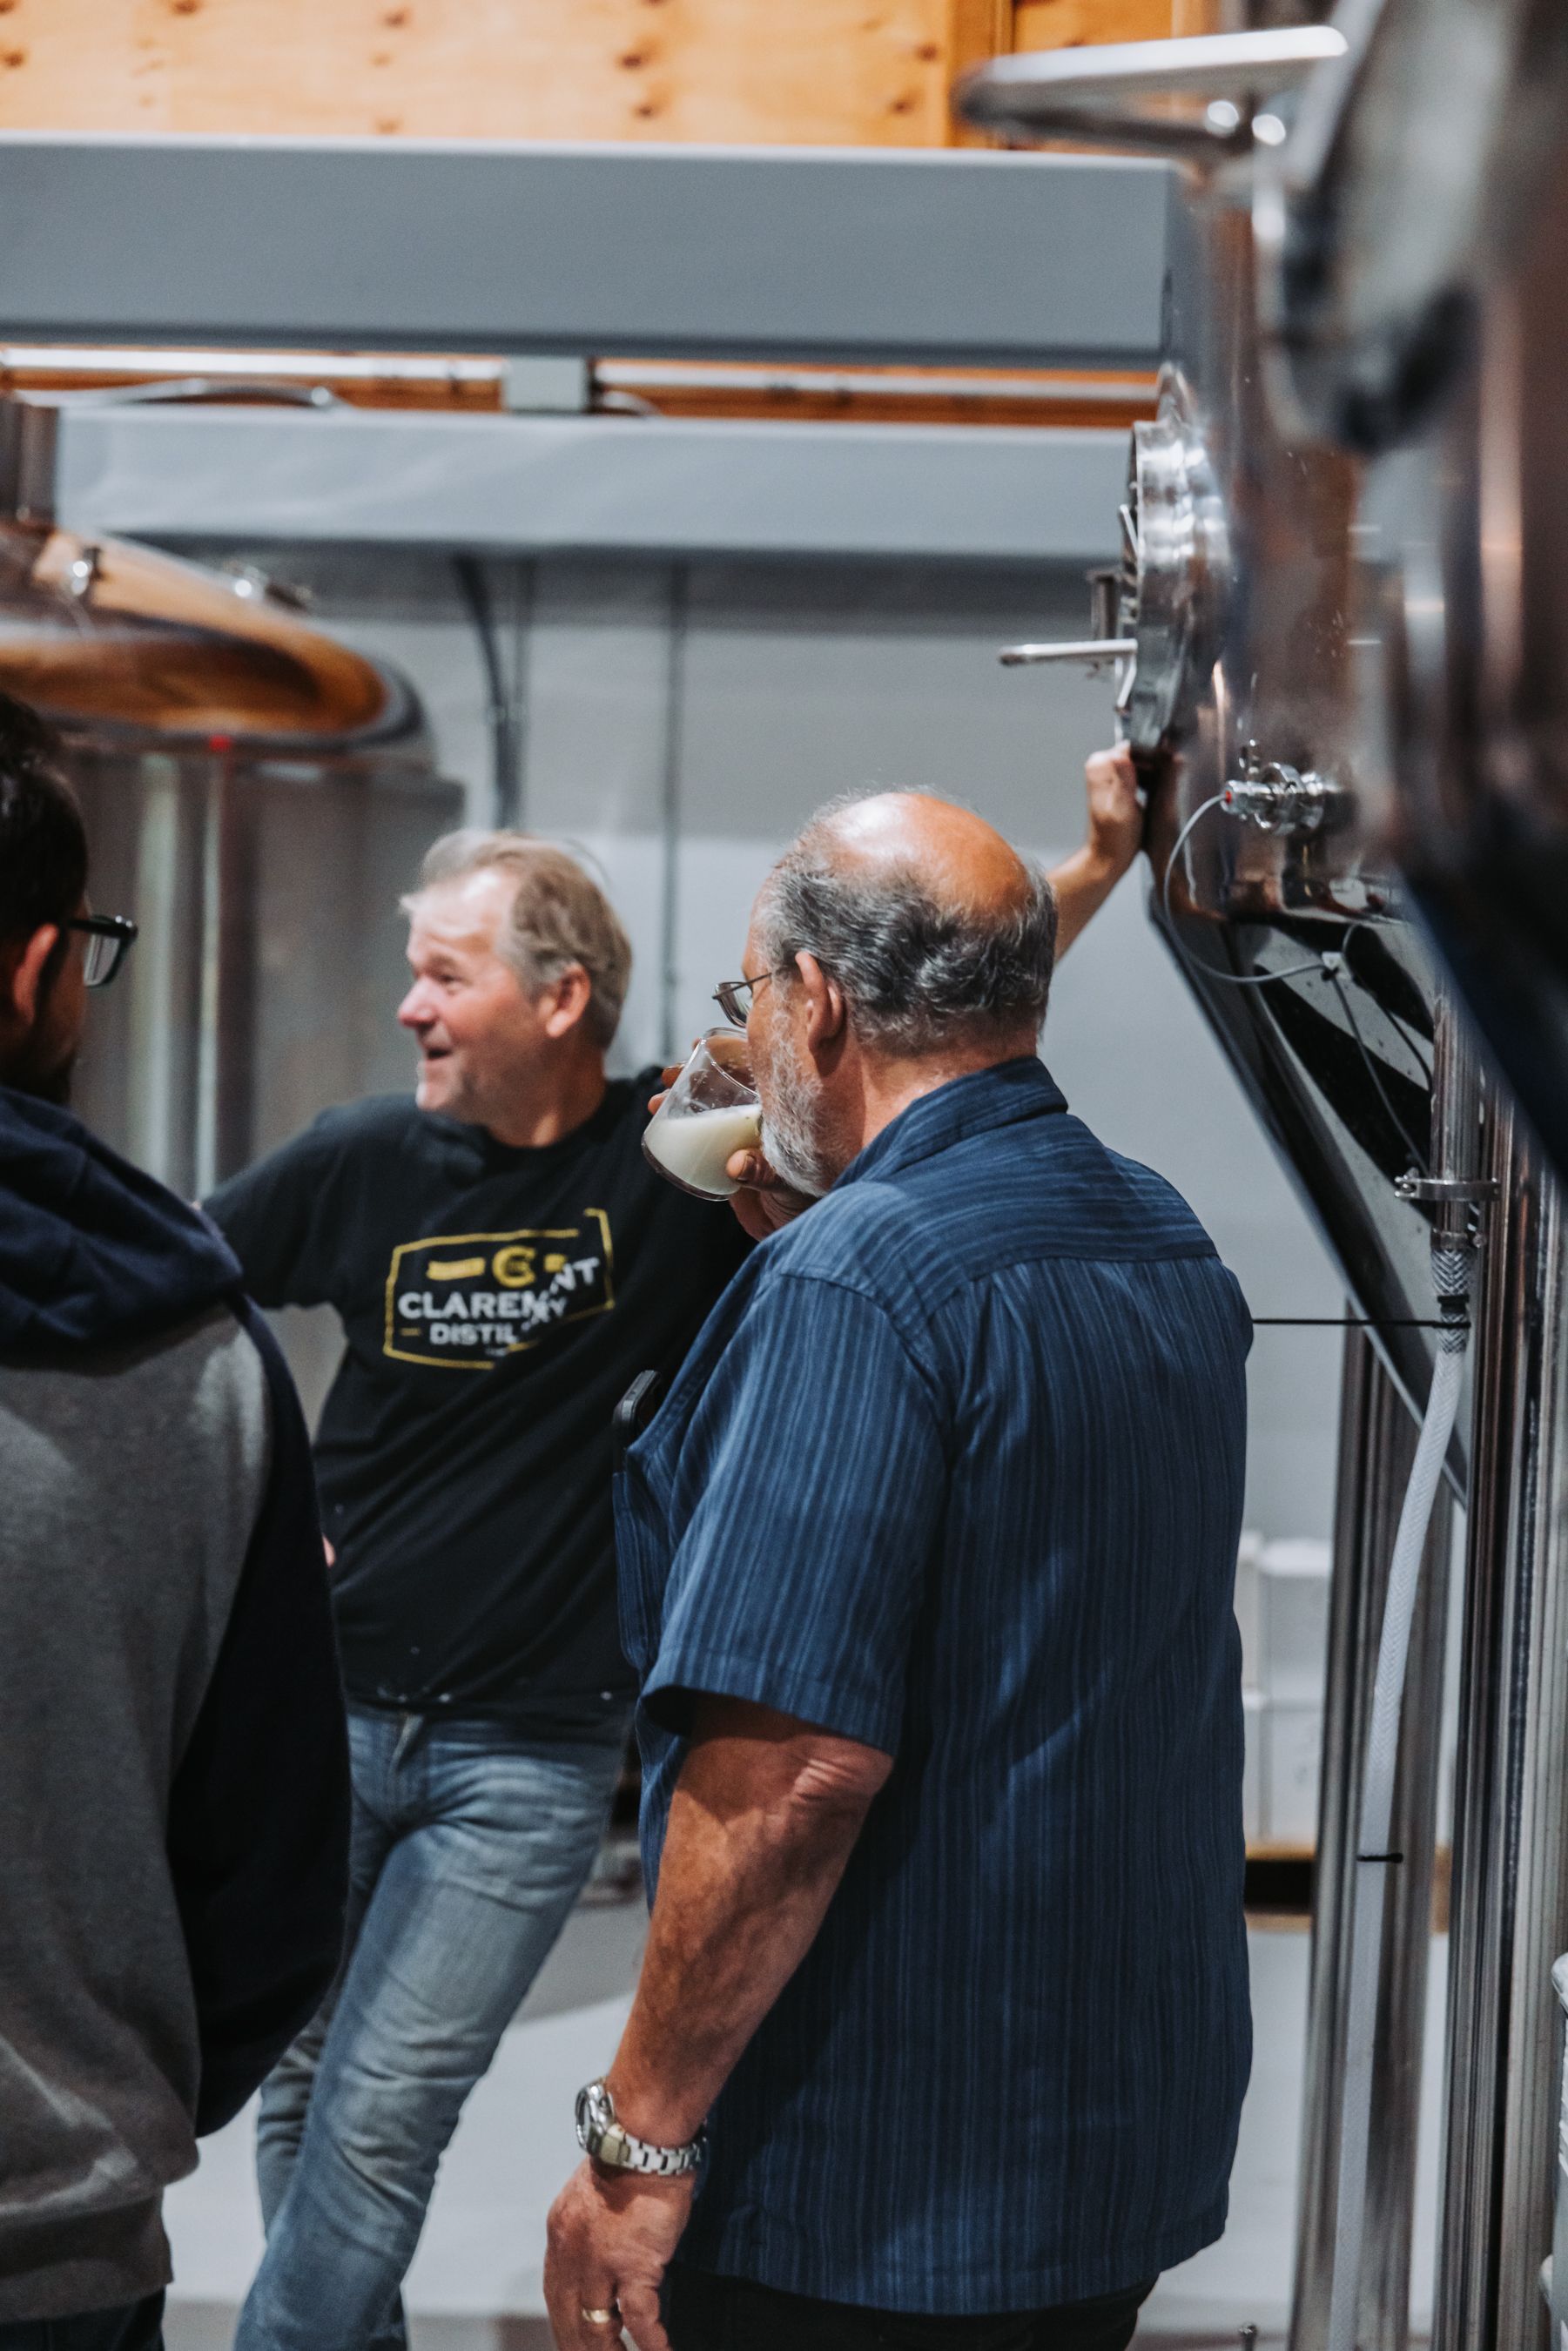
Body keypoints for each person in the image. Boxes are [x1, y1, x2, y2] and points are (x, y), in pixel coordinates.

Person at [212, 751, 1144, 2351]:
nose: (409, 1009)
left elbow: (919, 989)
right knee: (301, 2091)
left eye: (445, 975)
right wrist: (239, 1499)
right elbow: (186, 1285)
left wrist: (1098, 868)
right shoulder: (363, 1158)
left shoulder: (663, 1169)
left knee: (382, 2110)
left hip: (521, 1750)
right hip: (337, 1710)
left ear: (561, 999)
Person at [544, 785, 1252, 2351]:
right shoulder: (1158, 1237)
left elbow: (794, 1768)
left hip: (875, 2186)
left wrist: (639, 2140)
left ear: (814, 1001)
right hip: (1102, 2142)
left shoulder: (853, 1283)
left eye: (750, 998)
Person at [0, 692, 350, 2351]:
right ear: (30, 973)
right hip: (55, 2254)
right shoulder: (197, 1364)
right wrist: (100, 2097)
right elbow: (273, 1867)